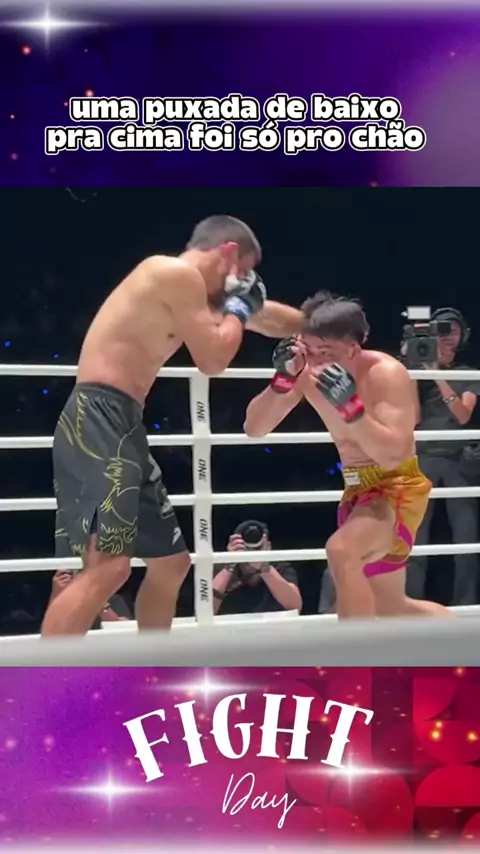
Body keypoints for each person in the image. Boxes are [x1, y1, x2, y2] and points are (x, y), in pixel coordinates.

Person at [43, 215, 303, 637]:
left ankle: (152, 663)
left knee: (171, 563)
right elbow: (213, 359)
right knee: (107, 568)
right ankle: (44, 674)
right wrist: (239, 306)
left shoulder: (189, 295)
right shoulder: (172, 273)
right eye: (244, 271)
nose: (243, 281)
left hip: (123, 424)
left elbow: (266, 317)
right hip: (97, 418)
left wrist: (319, 326)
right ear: (229, 253)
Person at [244, 290, 450, 620]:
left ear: (354, 348)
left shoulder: (385, 373)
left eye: (326, 352)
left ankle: (354, 652)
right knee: (392, 607)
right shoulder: (306, 372)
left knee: (342, 551)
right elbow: (255, 428)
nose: (316, 361)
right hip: (356, 487)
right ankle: (464, 638)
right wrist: (282, 381)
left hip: (395, 486)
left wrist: (351, 409)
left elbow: (392, 455)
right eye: (309, 350)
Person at [406, 308, 480, 605]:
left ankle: (468, 604)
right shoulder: (416, 370)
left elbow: (462, 415)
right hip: (422, 455)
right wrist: (413, 368)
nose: (448, 336)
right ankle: (411, 603)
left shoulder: (468, 373)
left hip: (457, 459)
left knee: (466, 537)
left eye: (454, 330)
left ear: (463, 336)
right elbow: (411, 416)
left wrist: (437, 373)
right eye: (443, 329)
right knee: (415, 537)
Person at [213, 520, 302, 615]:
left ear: (268, 546)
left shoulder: (280, 568)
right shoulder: (222, 570)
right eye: (245, 544)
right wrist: (230, 563)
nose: (252, 548)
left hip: (271, 623)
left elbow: (295, 606)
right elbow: (206, 608)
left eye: (259, 545)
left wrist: (263, 566)